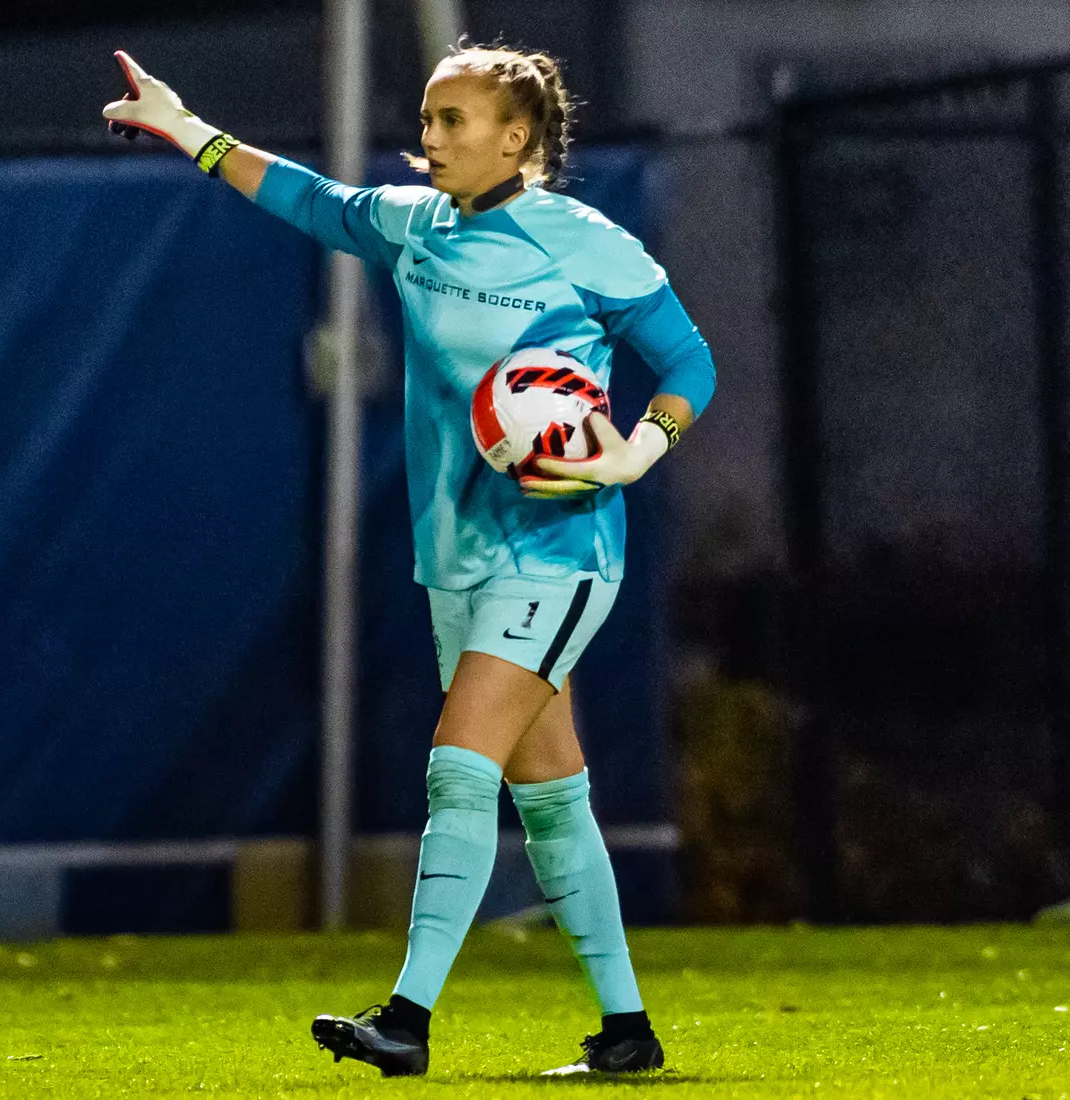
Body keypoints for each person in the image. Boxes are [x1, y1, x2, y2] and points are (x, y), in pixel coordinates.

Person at [103, 42, 715, 1078]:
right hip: (456, 552)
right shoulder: (413, 225)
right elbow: (309, 200)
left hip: (558, 547)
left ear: (515, 138)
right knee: (549, 792)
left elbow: (688, 360)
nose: (428, 137)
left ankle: (407, 1019)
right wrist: (185, 128)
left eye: (452, 120)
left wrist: (635, 451)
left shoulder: (583, 242)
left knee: (458, 768)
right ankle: (627, 1033)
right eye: (427, 118)